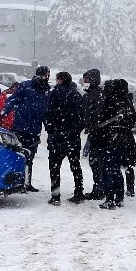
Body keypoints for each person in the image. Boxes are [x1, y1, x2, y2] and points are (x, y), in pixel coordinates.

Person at [91, 78, 136, 209]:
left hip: (107, 140)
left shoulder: (109, 101)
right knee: (116, 169)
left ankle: (110, 198)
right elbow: (133, 119)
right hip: (121, 141)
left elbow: (100, 121)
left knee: (107, 170)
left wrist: (98, 132)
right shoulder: (126, 101)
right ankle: (119, 197)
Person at [44, 71, 86, 205]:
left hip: (57, 136)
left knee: (55, 167)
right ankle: (79, 192)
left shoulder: (54, 93)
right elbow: (82, 116)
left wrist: (50, 128)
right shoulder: (76, 95)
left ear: (60, 80)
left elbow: (48, 113)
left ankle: (55, 196)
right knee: (75, 165)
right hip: (72, 136)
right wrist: (76, 129)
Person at [7, 66, 52, 192]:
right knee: (19, 154)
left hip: (34, 128)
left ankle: (27, 182)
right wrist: (5, 110)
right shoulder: (26, 86)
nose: (47, 78)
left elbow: (45, 109)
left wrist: (47, 124)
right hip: (21, 126)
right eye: (45, 75)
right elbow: (14, 99)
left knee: (30, 156)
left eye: (48, 75)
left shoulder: (46, 90)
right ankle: (18, 182)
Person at [80, 69, 105, 200]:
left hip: (98, 133)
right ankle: (99, 187)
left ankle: (99, 188)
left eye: (87, 80)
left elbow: (93, 114)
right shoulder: (91, 94)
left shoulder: (96, 94)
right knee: (95, 161)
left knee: (96, 161)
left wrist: (91, 125)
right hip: (95, 131)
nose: (85, 82)